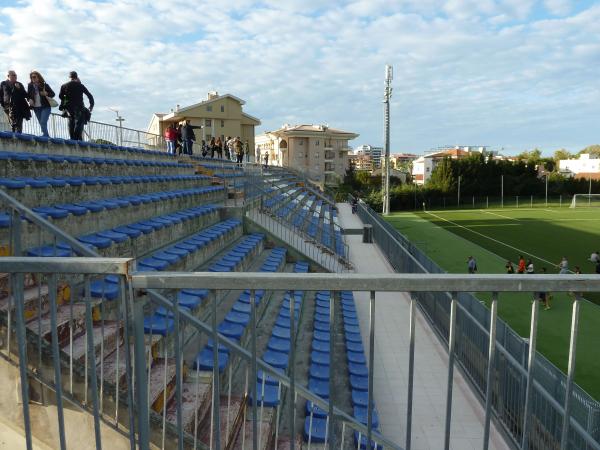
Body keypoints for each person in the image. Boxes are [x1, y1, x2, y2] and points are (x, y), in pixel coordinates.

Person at [58, 71, 94, 141]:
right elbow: (89, 95)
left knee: (71, 122)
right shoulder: (80, 85)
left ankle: (72, 138)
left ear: (69, 77)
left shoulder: (64, 86)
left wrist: (66, 100)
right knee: (79, 122)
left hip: (68, 107)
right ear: (76, 77)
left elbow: (60, 96)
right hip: (79, 106)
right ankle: (75, 138)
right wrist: (91, 105)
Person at [27, 70, 55, 138]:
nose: (32, 78)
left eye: (34, 77)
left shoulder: (44, 85)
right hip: (36, 107)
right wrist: (29, 99)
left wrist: (47, 93)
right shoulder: (30, 86)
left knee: (43, 121)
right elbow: (28, 95)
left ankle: (45, 135)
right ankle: (46, 135)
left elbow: (53, 94)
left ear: (38, 77)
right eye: (31, 77)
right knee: (41, 122)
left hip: (45, 106)